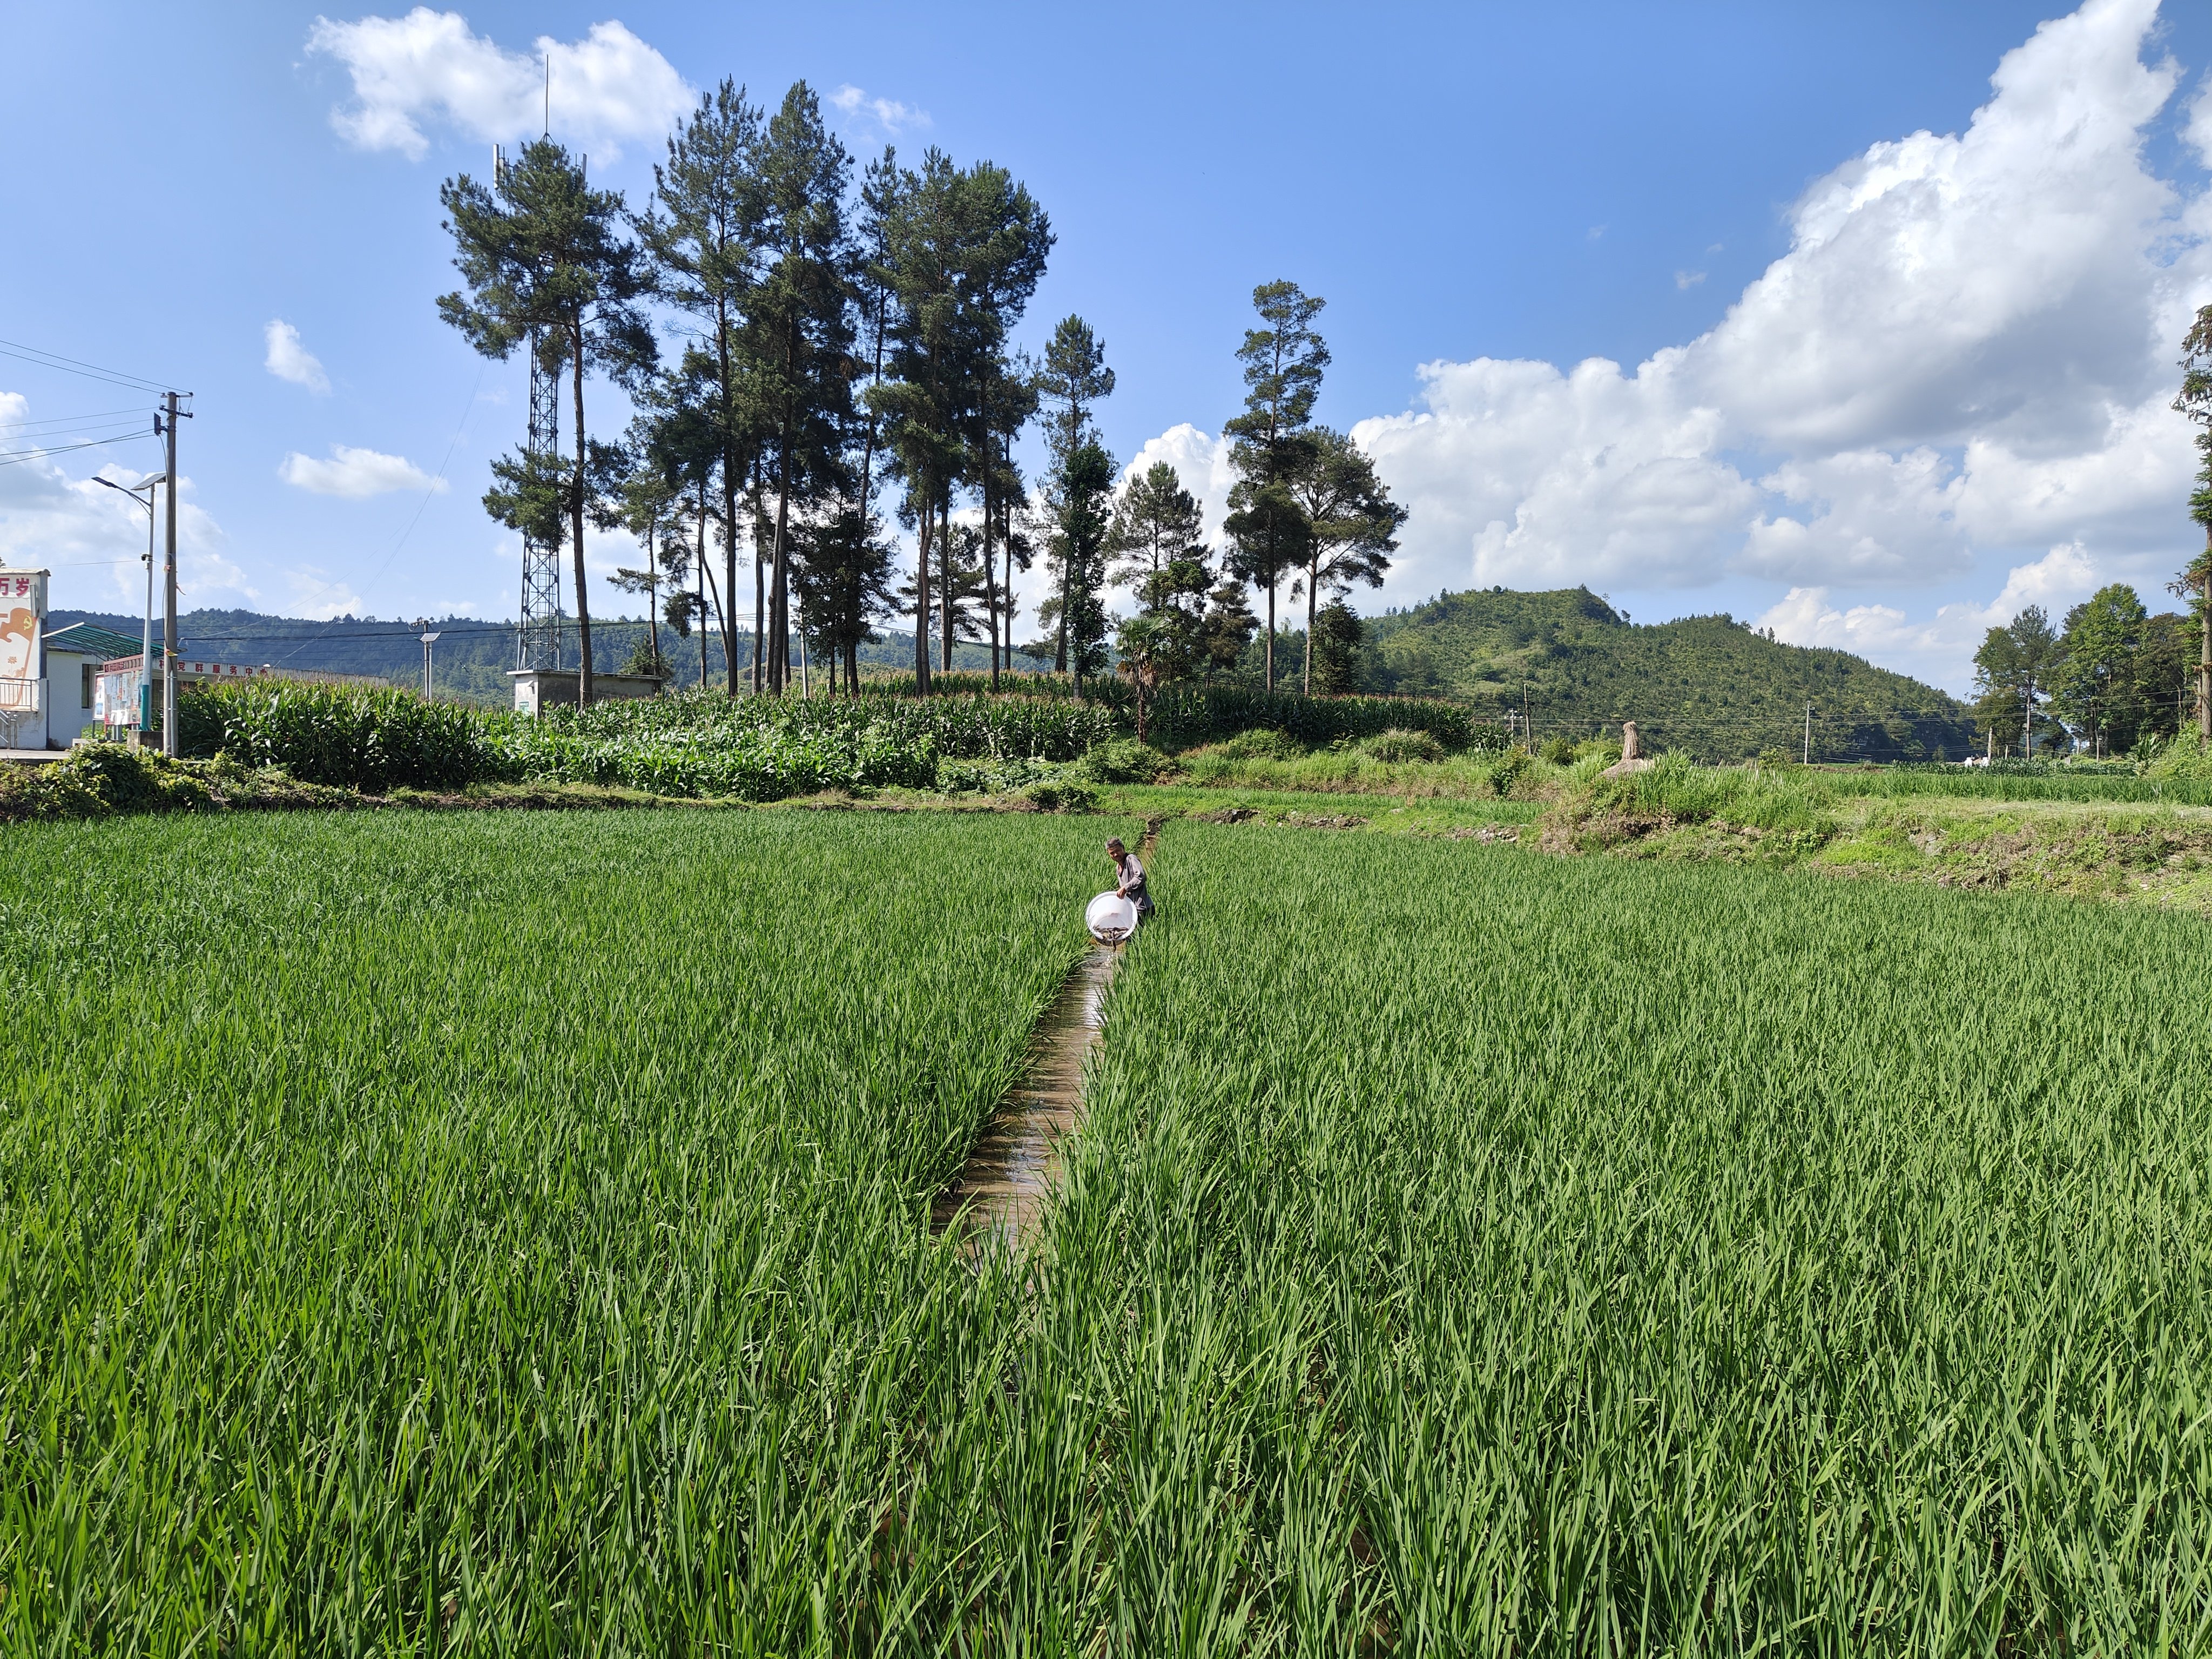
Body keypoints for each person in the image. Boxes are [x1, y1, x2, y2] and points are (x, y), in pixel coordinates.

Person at [1107, 837, 1153, 922]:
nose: (1116, 855)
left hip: (1143, 909)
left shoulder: (1131, 859)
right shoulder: (1118, 867)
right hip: (1133, 909)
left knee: (1143, 934)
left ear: (1123, 848)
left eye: (1118, 851)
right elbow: (1124, 893)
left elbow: (1141, 876)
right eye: (1112, 853)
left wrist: (1125, 888)